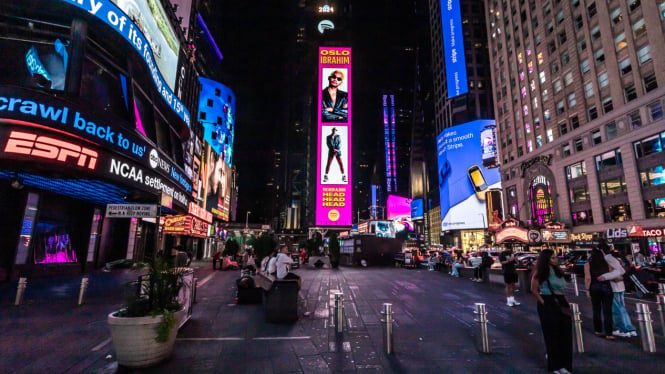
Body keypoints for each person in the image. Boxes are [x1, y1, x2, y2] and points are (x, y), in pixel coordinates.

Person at [530, 249, 573, 374]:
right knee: (552, 334)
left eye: (555, 257)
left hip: (561, 301)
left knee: (565, 334)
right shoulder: (541, 271)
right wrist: (544, 303)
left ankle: (566, 365)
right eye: (553, 257)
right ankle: (555, 365)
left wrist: (566, 303)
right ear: (546, 259)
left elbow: (563, 289)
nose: (556, 259)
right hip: (548, 301)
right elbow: (534, 289)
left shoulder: (558, 271)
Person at [598, 249, 637, 338]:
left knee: (616, 310)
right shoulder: (616, 260)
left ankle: (623, 329)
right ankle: (629, 329)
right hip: (620, 287)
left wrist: (607, 276)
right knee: (622, 308)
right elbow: (622, 272)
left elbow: (615, 273)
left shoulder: (607, 259)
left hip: (614, 288)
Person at [584, 247, 615, 339]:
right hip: (606, 287)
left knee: (596, 309)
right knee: (607, 311)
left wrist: (587, 289)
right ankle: (609, 333)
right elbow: (612, 273)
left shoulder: (588, 265)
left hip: (594, 287)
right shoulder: (607, 264)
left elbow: (588, 278)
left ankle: (598, 330)